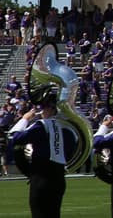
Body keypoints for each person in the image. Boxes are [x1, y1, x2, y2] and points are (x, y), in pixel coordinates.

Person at [8, 87, 68, 217]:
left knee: (39, 213)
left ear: (52, 108)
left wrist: (24, 119)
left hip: (42, 177)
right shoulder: (64, 127)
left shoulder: (42, 125)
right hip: (59, 177)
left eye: (44, 107)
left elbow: (15, 138)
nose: (41, 110)